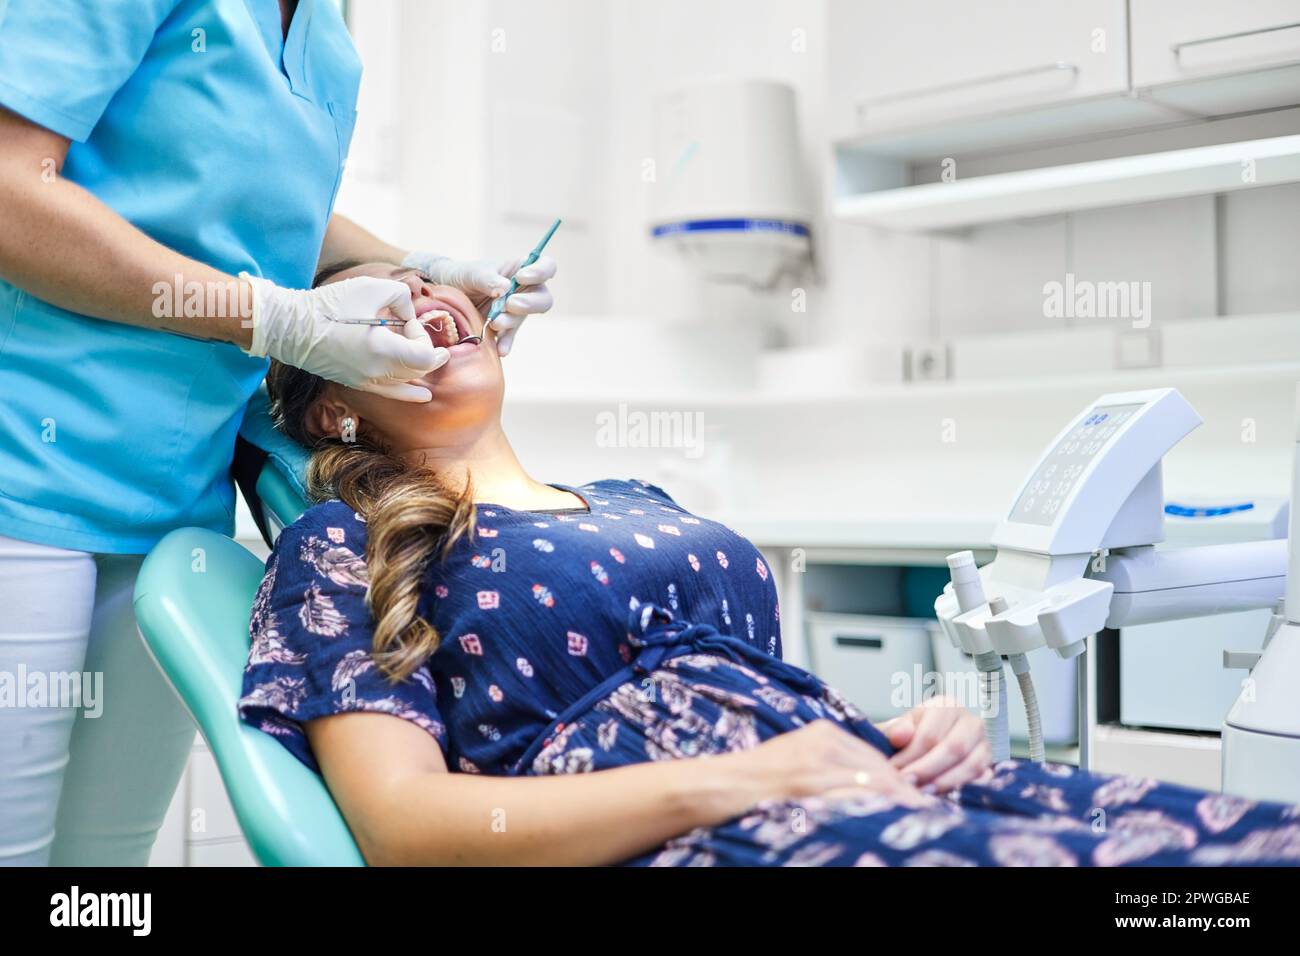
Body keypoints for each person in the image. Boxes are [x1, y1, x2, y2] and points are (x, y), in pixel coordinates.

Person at [239, 262, 1300, 866]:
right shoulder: (346, 545)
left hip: (850, 782)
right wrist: (748, 778)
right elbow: (402, 827)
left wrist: (907, 728)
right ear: (335, 400)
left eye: (429, 284)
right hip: (713, 831)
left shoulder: (635, 501)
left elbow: (761, 704)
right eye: (379, 314)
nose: (425, 301)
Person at [0, 0, 554, 865]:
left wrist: (423, 270)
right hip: (23, 477)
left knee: (102, 873)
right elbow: (9, 192)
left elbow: (273, 211)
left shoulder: (327, 42)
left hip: (173, 512)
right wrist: (268, 318)